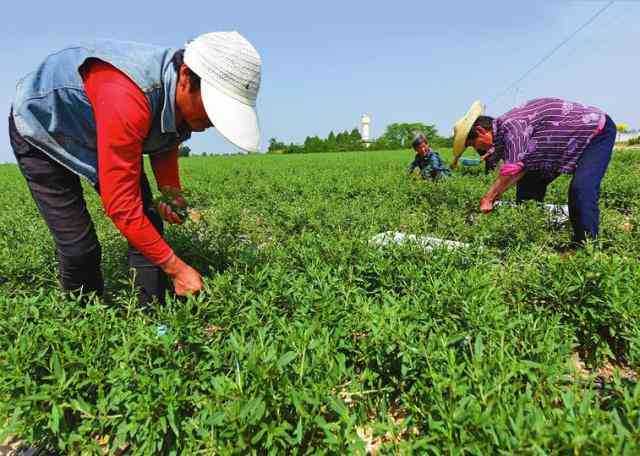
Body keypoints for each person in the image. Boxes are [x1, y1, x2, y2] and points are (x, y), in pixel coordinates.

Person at [9, 32, 263, 303]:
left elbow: (166, 137)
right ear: (187, 78)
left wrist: (170, 194)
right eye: (213, 109)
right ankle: (82, 320)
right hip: (41, 128)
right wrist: (176, 269)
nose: (213, 121)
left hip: (98, 127)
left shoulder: (173, 89)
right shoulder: (126, 95)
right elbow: (121, 206)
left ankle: (151, 316)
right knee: (79, 247)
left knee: (149, 221)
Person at [451, 98, 616, 245]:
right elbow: (520, 169)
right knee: (528, 186)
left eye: (474, 144)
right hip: (557, 147)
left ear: (480, 131)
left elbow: (511, 171)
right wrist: (494, 196)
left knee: (581, 188)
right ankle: (528, 236)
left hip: (595, 132)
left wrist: (488, 198)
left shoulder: (511, 125)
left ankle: (587, 247)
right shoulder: (503, 135)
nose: (477, 148)